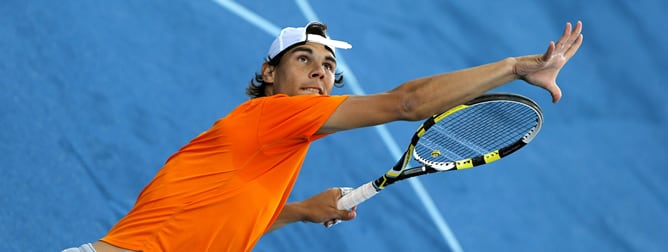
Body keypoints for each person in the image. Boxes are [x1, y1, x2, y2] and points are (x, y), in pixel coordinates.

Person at [63, 20, 583, 252]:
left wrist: (297, 211)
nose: (319, 71)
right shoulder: (273, 116)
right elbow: (407, 103)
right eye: (303, 59)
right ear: (270, 75)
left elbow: (224, 231)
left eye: (328, 65)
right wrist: (517, 66)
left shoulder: (272, 148)